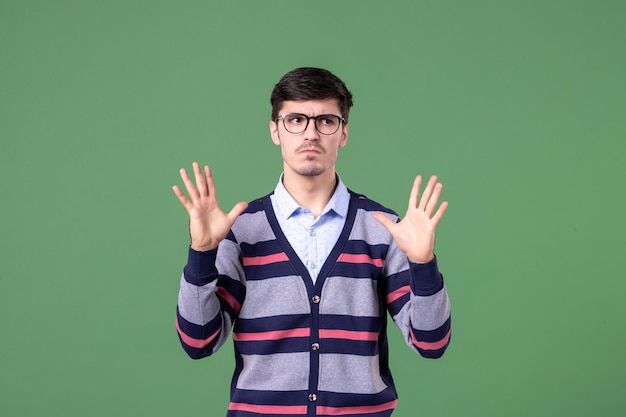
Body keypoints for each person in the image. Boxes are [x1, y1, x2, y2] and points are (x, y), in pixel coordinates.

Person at [172, 67, 451, 417]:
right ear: (275, 130)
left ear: (344, 132)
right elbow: (198, 342)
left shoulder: (383, 229)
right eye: (295, 119)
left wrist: (424, 263)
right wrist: (202, 254)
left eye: (326, 121)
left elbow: (432, 343)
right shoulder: (241, 230)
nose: (311, 133)